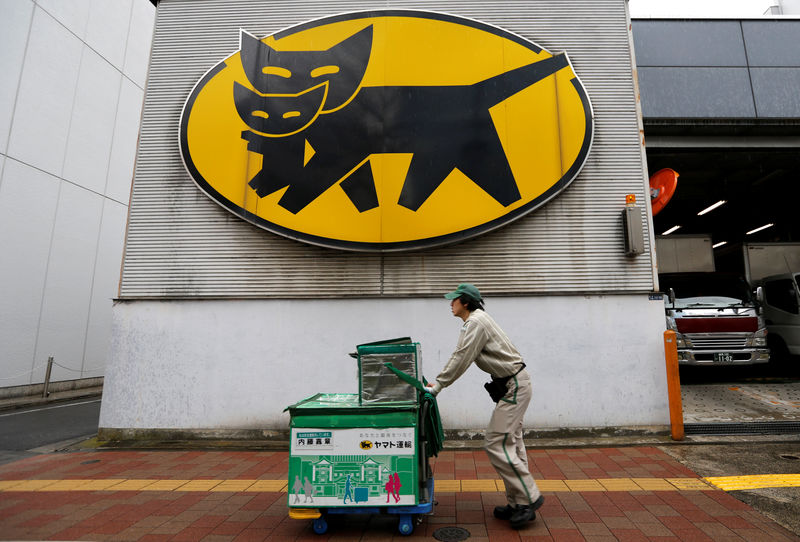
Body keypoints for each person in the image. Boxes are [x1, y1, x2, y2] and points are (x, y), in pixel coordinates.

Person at [424, 283, 544, 529]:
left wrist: (437, 386)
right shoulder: (478, 320)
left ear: (465, 302)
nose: (450, 304)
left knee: (495, 441)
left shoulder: (476, 322)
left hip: (514, 386)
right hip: (513, 385)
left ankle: (529, 498)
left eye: (453, 300)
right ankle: (517, 504)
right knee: (510, 443)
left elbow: (462, 357)